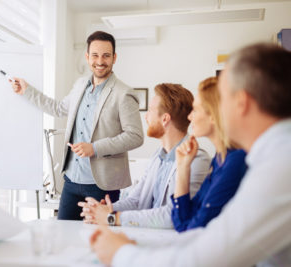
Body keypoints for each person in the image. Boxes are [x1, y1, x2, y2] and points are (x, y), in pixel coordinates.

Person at [90, 43, 291, 267]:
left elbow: (210, 255)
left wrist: (121, 254)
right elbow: (206, 232)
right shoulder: (270, 156)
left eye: (221, 100)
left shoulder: (281, 164)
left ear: (241, 103)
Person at [10, 31, 144, 220]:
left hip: (103, 185)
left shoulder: (124, 93)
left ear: (114, 58)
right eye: (95, 55)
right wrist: (27, 91)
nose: (100, 61)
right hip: (71, 180)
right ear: (87, 57)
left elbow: (135, 136)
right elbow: (57, 108)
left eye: (106, 55)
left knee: (97, 242)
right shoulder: (80, 85)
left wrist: (95, 148)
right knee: (64, 235)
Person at [78, 83, 211, 228]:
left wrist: (112, 217)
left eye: (149, 110)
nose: (146, 116)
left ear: (165, 119)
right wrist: (104, 210)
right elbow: (136, 201)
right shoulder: (157, 157)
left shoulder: (196, 160)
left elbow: (171, 216)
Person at [171, 77, 247, 232]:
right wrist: (183, 167)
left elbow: (193, 229)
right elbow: (184, 221)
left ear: (213, 115)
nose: (189, 117)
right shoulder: (218, 160)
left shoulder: (235, 161)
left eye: (195, 110)